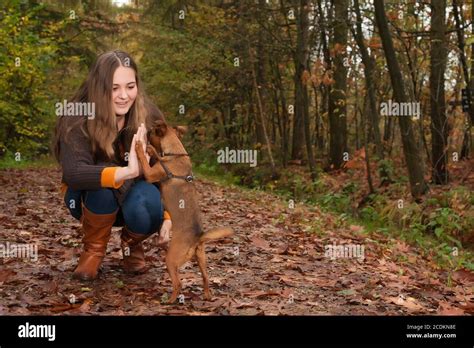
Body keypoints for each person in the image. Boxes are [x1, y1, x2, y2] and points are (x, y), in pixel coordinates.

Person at [53, 50, 171, 281]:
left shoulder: (149, 115)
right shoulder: (76, 114)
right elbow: (75, 173)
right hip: (88, 199)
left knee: (148, 201)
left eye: (130, 86)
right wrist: (127, 171)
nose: (124, 96)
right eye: (114, 88)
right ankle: (93, 251)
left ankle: (131, 243)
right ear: (98, 87)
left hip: (133, 198)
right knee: (102, 188)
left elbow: (168, 170)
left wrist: (168, 215)